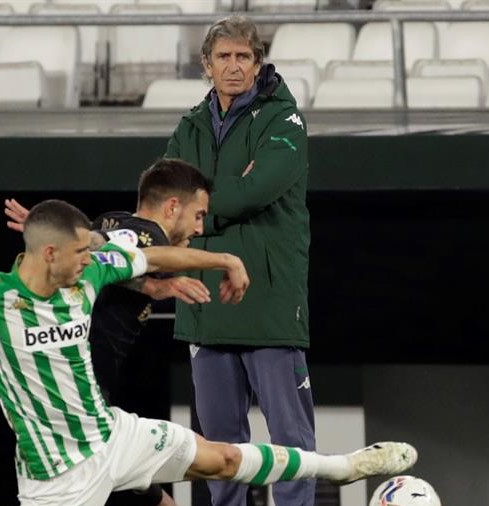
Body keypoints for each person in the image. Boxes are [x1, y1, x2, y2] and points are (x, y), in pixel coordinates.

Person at [0, 200, 416, 506]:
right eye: (78, 253)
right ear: (47, 254)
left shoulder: (91, 270)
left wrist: (221, 256)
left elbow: (153, 253)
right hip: (53, 481)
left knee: (221, 457)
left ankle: (342, 467)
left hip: (113, 437)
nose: (89, 261)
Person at [164, 14, 317, 506]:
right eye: (224, 57)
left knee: (290, 440)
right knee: (217, 446)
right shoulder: (189, 126)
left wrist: (200, 210)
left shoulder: (284, 119)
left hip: (269, 303)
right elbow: (169, 201)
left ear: (258, 62)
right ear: (206, 65)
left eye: (244, 57)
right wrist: (215, 200)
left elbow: (257, 189)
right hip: (206, 304)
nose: (234, 67)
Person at [4, 159, 214, 506]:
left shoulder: (110, 219)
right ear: (172, 206)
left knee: (98, 463)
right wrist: (150, 284)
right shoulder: (148, 235)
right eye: (199, 215)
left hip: (60, 376)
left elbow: (103, 245)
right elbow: (110, 243)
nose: (200, 228)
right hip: (76, 382)